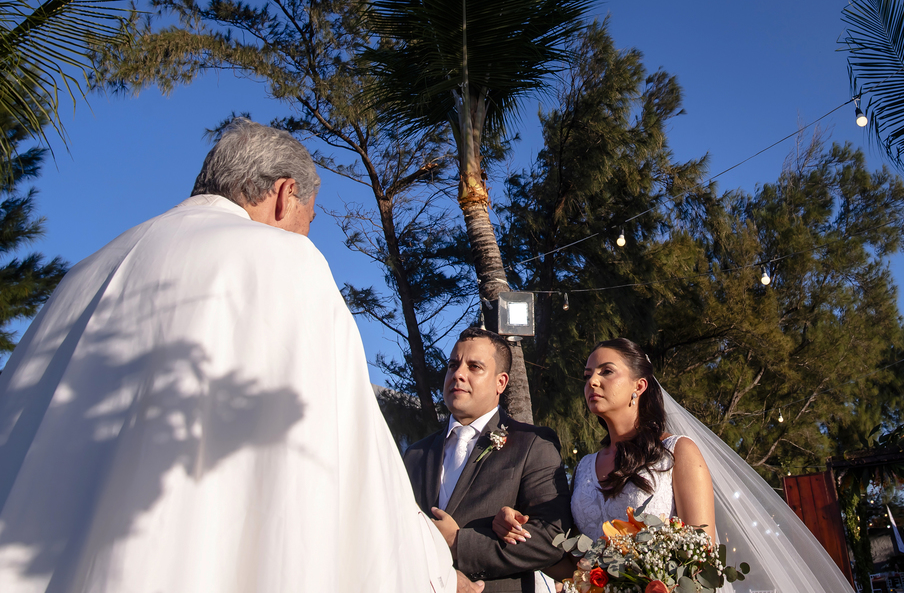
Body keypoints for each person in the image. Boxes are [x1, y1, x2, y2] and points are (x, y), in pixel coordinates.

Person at [0, 119, 475, 593]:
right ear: (285, 194)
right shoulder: (284, 261)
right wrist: (433, 569)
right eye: (309, 221)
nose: (307, 236)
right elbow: (352, 466)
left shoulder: (82, 274)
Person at [493, 337, 855, 593]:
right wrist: (523, 534)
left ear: (639, 385)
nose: (592, 381)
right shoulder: (584, 467)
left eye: (606, 372)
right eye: (587, 375)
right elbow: (572, 562)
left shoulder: (678, 453)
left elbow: (704, 554)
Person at [404, 327, 571, 592]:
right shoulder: (415, 454)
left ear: (500, 383)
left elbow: (551, 538)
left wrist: (459, 543)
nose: (458, 374)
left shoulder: (532, 444)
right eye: (453, 365)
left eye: (474, 367)